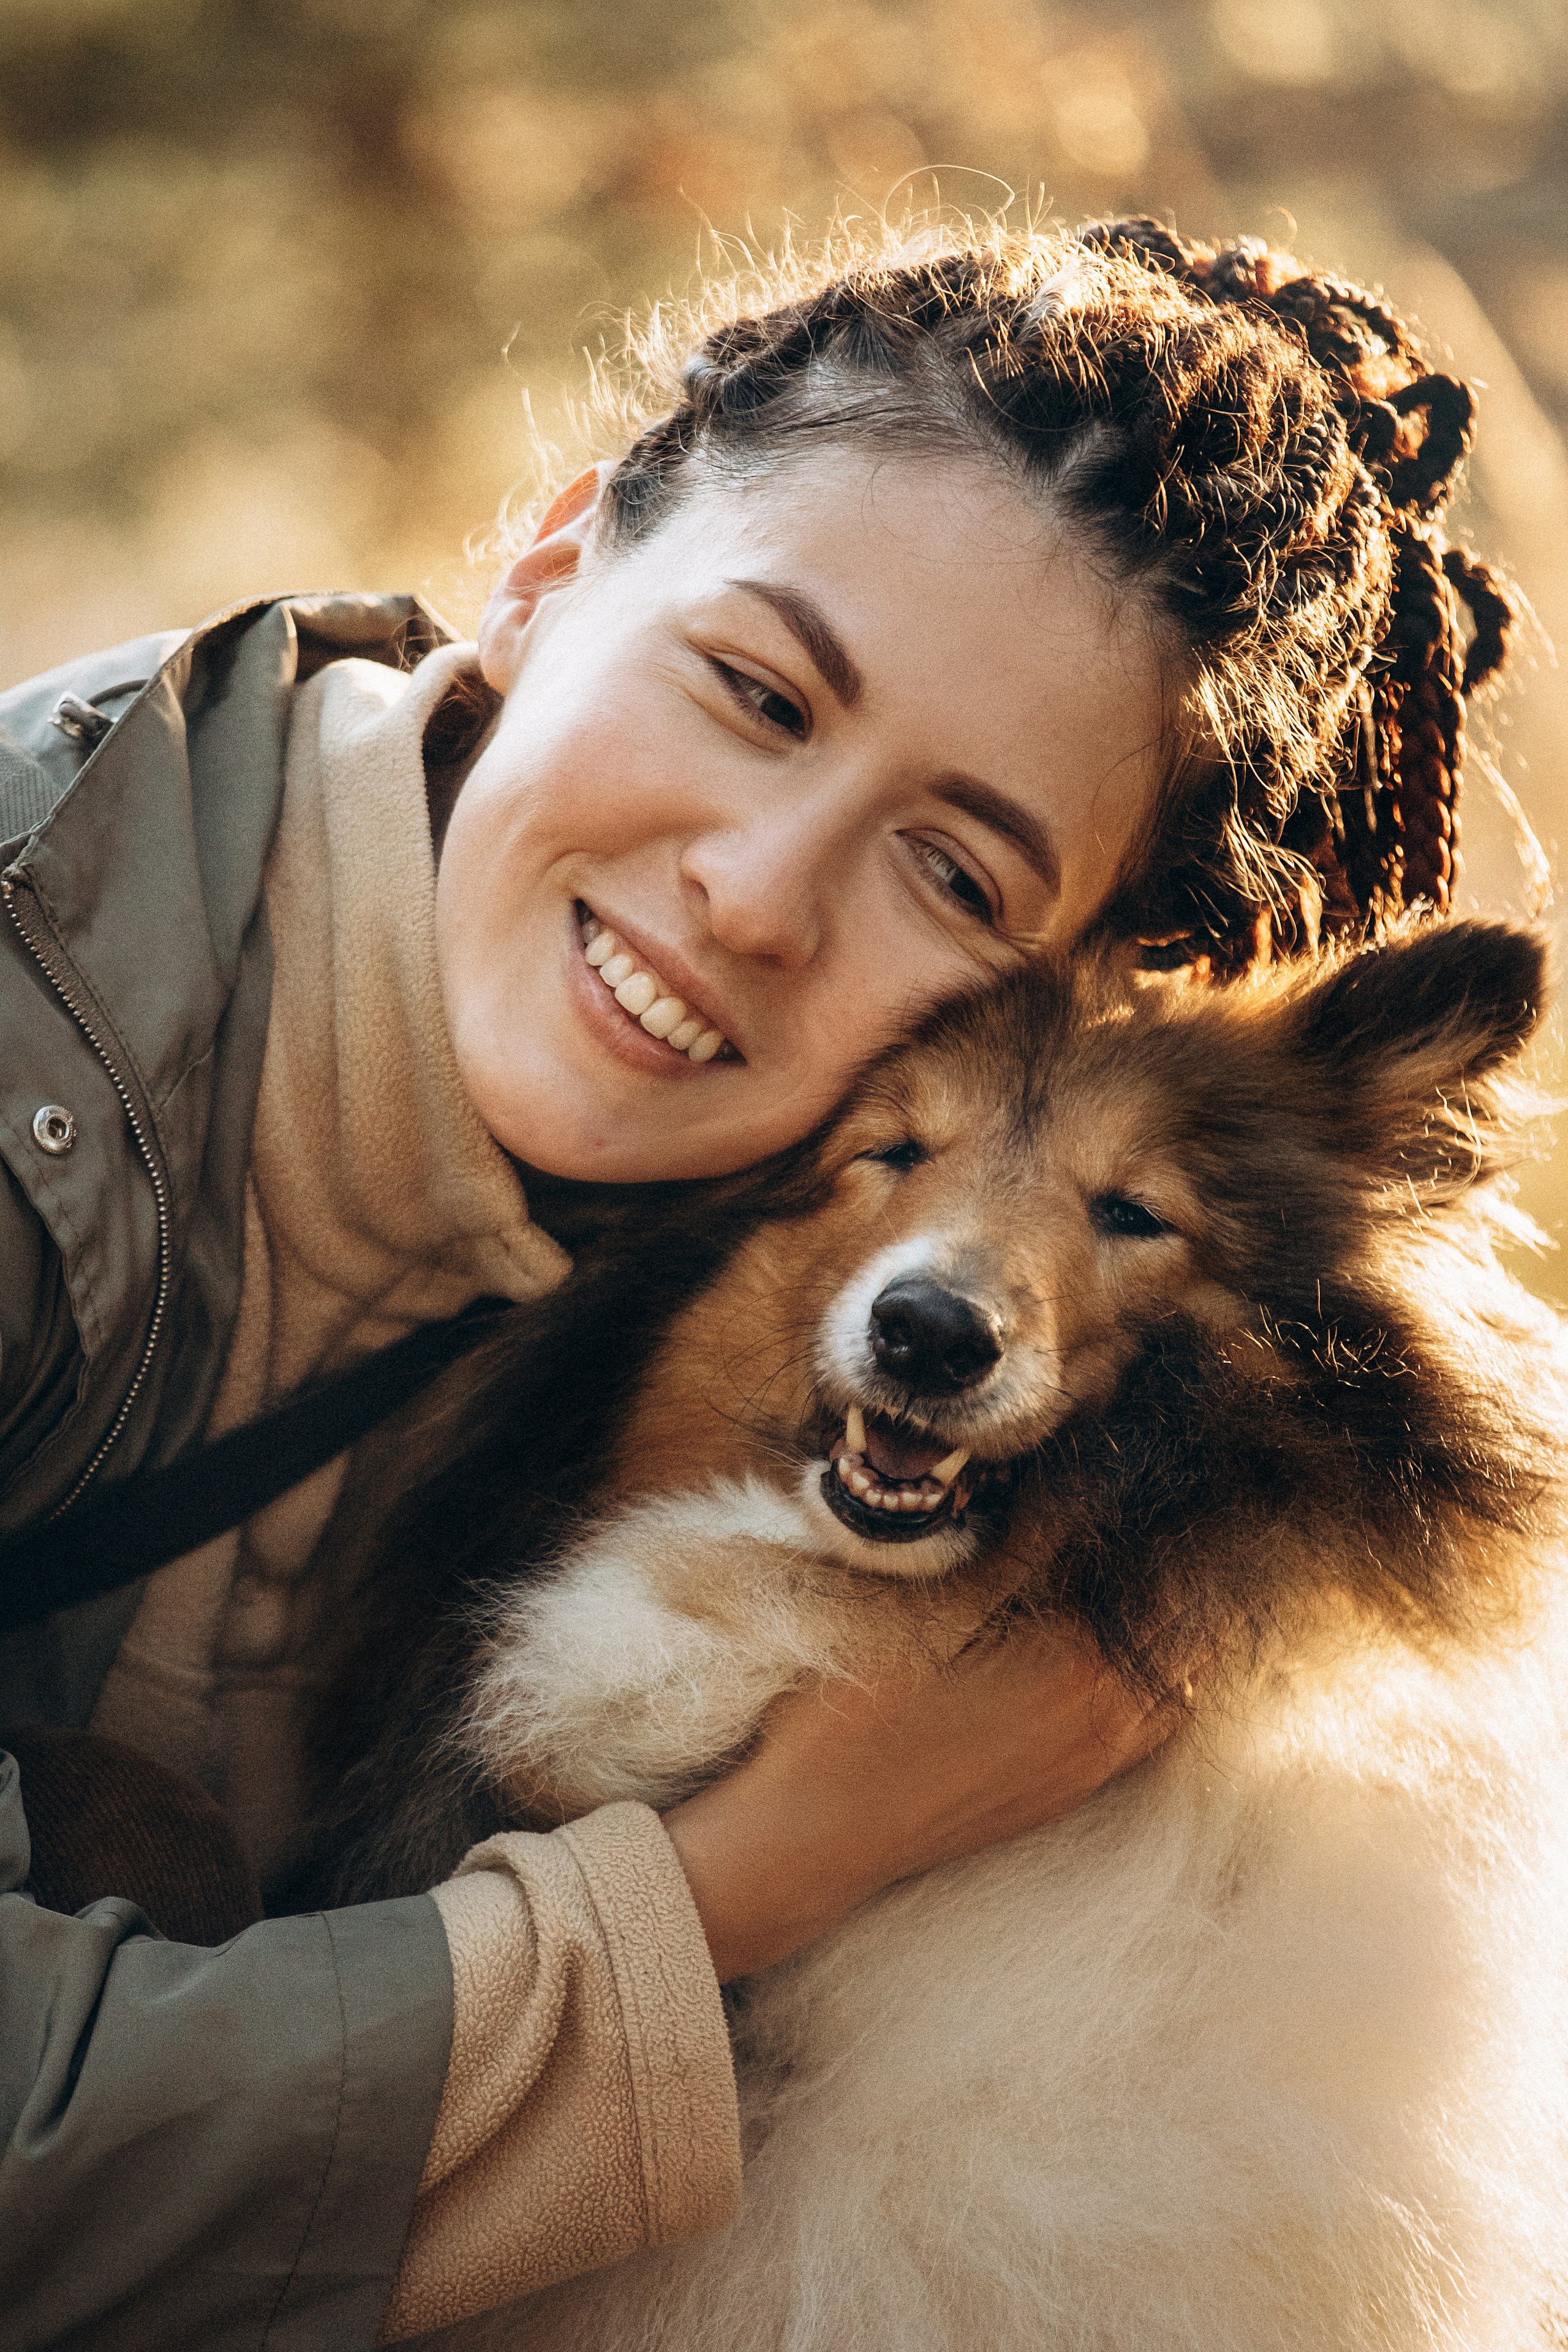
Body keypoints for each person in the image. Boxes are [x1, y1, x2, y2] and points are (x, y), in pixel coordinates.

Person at [0, 213, 1520, 2350]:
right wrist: (746, 1882)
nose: (753, 890)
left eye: (956, 865)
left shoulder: (736, 1199)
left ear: (1058, 980)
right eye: (754, 690)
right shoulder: (35, 1009)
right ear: (547, 562)